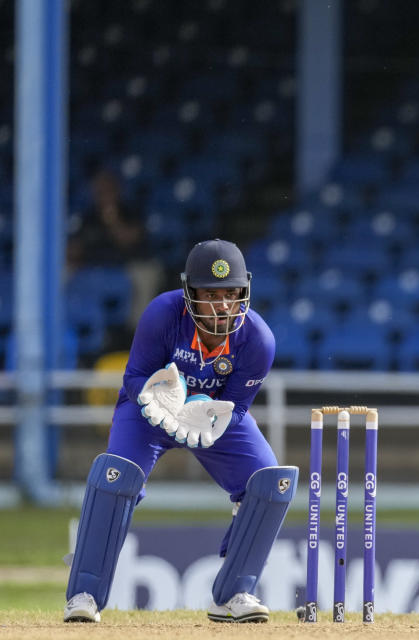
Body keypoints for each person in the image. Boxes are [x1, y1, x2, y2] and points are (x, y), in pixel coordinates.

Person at [63, 239, 298, 624]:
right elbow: (135, 375)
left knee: (268, 481)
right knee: (115, 476)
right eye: (211, 293)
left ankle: (234, 594)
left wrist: (211, 419)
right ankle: (84, 594)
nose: (222, 305)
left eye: (231, 293)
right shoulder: (163, 313)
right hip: (148, 415)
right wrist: (155, 399)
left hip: (210, 419)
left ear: (244, 291)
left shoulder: (258, 340)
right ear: (190, 292)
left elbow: (238, 407)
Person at [67, 167, 162, 333]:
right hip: (94, 266)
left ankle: (138, 334)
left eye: (107, 189)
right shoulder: (88, 215)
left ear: (117, 189)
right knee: (61, 272)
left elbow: (129, 239)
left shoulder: (130, 210)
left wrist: (112, 219)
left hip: (127, 265)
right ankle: (65, 323)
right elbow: (75, 248)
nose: (103, 194)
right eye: (99, 190)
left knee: (147, 274)